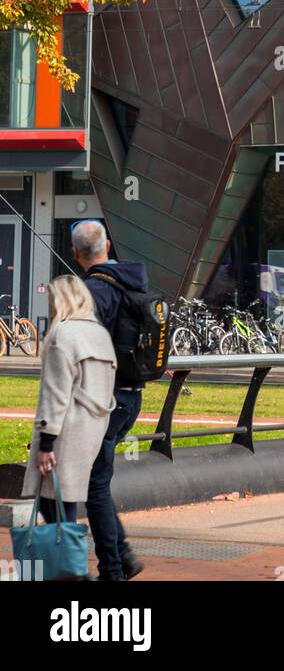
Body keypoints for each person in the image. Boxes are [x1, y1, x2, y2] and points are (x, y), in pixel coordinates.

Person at [21, 275, 116, 578]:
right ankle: (73, 567)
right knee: (66, 499)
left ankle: (71, 569)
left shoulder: (62, 334)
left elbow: (55, 392)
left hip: (64, 429)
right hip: (94, 426)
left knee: (54, 502)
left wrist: (47, 441)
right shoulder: (100, 333)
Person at [72, 220, 146, 582]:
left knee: (94, 486)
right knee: (98, 480)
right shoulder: (134, 281)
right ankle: (122, 556)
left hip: (105, 398)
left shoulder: (93, 292)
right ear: (110, 245)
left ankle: (115, 568)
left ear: (75, 253)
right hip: (132, 396)